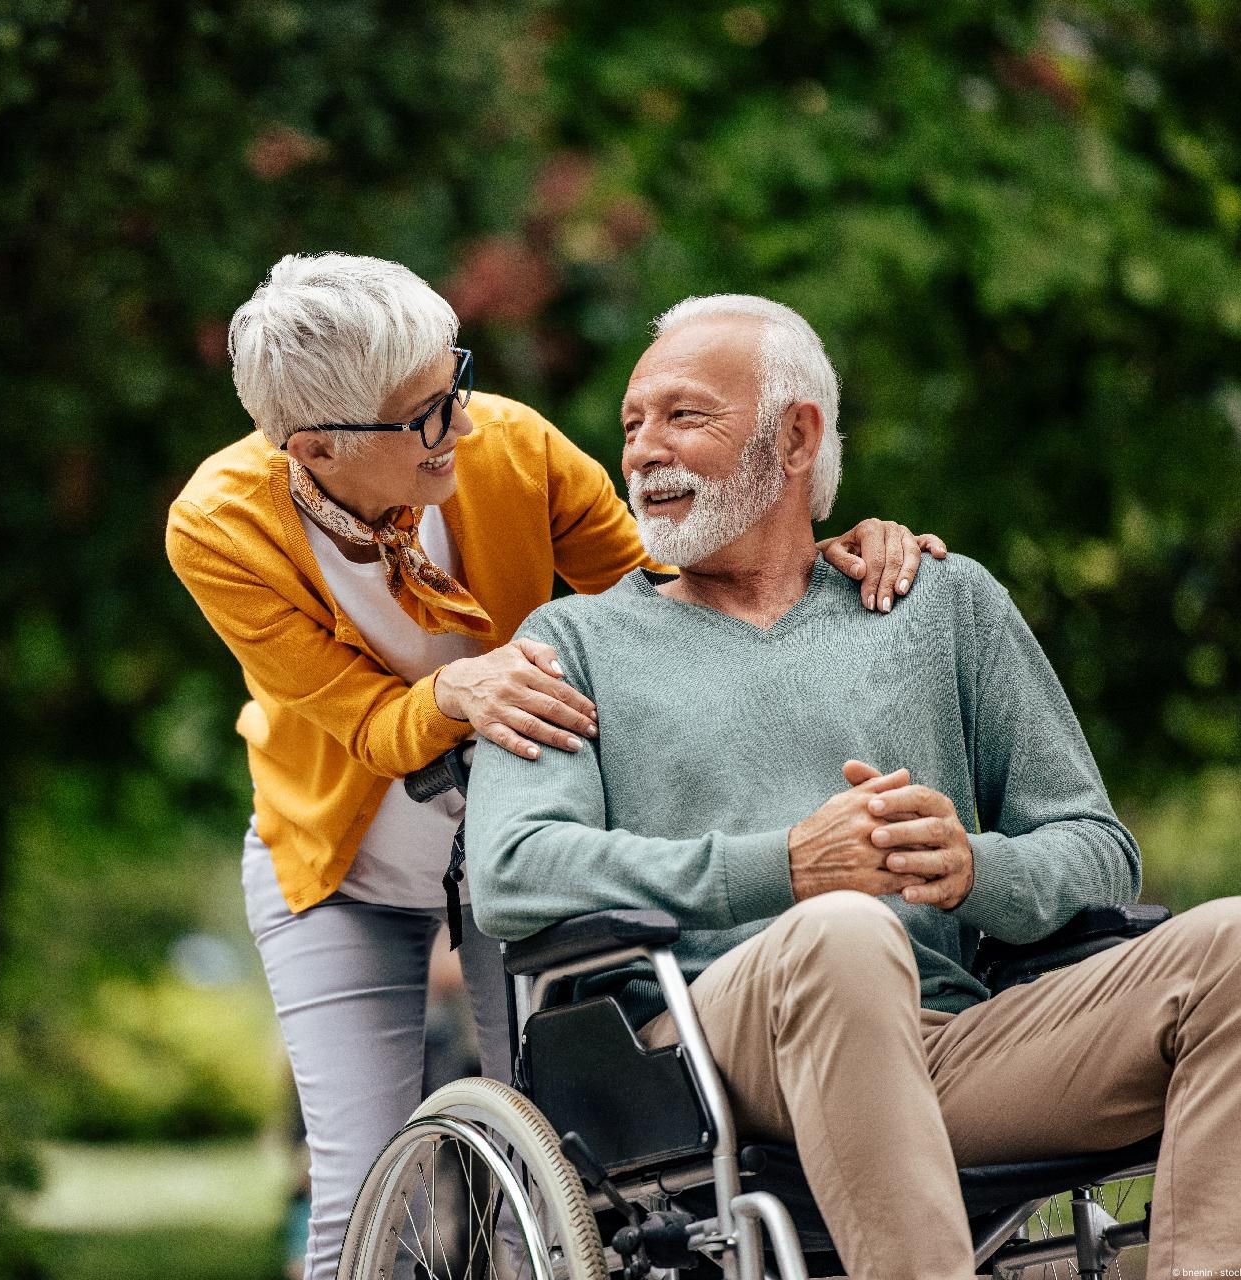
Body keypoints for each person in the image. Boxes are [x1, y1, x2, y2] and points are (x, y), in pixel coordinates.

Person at [464, 293, 1241, 1279]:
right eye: (631, 425)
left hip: (949, 1044)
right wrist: (784, 866)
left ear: (796, 437)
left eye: (683, 415)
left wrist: (973, 870)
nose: (643, 451)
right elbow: (514, 871)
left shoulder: (942, 605)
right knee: (844, 933)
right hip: (701, 1049)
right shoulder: (572, 642)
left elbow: (1096, 847)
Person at [164, 253, 946, 1280]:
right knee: (360, 1197)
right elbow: (360, 723)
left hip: (525, 849)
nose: (462, 423)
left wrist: (823, 553)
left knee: (565, 1171)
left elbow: (675, 589)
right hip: (338, 868)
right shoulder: (220, 525)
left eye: (456, 381)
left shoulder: (515, 449)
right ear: (316, 446)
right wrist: (458, 690)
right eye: (425, 415)